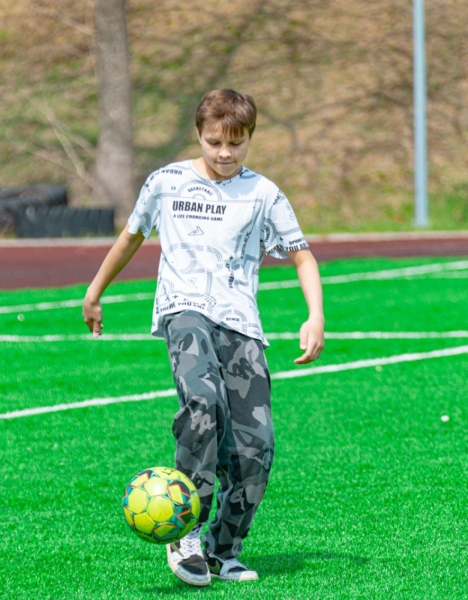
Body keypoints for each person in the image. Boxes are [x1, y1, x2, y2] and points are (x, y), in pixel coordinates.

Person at [82, 88, 324, 586]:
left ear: (250, 138)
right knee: (203, 402)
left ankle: (222, 550)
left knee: (256, 450)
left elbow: (303, 256)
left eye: (237, 143)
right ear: (199, 134)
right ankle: (185, 533)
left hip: (242, 325)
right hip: (184, 309)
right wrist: (94, 291)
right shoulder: (166, 182)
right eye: (215, 142)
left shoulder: (263, 193)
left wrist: (314, 316)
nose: (225, 153)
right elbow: (131, 236)